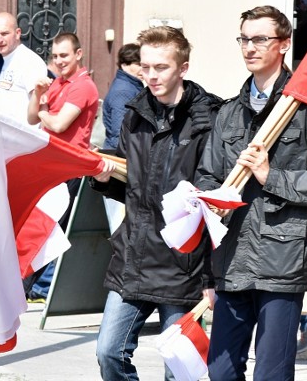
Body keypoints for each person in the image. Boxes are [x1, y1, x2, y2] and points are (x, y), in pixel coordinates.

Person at [195, 5, 307, 381]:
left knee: (271, 374)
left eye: (260, 39)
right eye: (244, 39)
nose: (250, 47)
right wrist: (207, 198)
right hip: (232, 260)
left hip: (282, 262)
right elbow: (207, 175)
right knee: (220, 373)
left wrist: (272, 177)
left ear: (283, 44)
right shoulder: (229, 113)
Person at [91, 26, 222, 381]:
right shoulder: (134, 115)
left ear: (183, 68)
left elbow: (216, 207)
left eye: (160, 67)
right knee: (108, 353)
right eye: (145, 67)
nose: (150, 75)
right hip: (133, 257)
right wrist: (104, 178)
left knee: (178, 370)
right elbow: (131, 187)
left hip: (183, 266)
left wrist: (211, 277)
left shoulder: (208, 121)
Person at [24, 31, 100, 302]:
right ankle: (34, 286)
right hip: (51, 167)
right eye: (55, 56)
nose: (59, 61)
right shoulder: (57, 83)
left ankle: (39, 288)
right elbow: (32, 118)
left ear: (78, 54)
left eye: (64, 55)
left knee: (52, 229)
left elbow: (57, 124)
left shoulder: (83, 86)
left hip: (69, 168)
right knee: (42, 227)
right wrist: (39, 95)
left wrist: (45, 111)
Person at [0, 12, 46, 124]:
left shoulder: (29, 61)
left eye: (4, 34)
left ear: (17, 33)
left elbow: (41, 106)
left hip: (25, 137)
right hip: (3, 136)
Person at [101, 43, 143, 149]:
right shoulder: (123, 91)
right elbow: (120, 133)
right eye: (139, 64)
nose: (143, 69)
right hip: (121, 157)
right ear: (124, 65)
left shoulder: (131, 85)